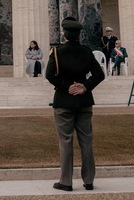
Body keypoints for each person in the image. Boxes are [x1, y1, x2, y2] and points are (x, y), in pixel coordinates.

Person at [45, 16, 105, 192]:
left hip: (64, 101)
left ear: (64, 34)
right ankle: (88, 181)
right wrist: (84, 87)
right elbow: (99, 75)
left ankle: (66, 181)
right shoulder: (87, 52)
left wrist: (67, 87)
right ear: (79, 34)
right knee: (86, 141)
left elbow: (50, 75)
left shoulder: (57, 52)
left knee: (65, 141)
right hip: (84, 101)